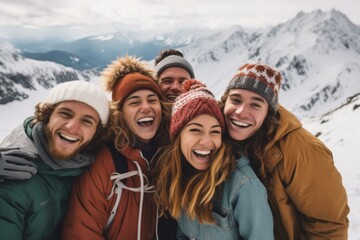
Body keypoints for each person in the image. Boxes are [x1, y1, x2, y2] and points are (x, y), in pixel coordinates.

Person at [220, 63, 350, 239]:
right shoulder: (219, 134)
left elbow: (329, 225)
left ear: (269, 113)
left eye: (256, 105)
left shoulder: (301, 150)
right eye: (236, 99)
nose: (241, 112)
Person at [61, 56, 171, 240]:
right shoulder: (104, 161)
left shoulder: (172, 153)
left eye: (152, 100)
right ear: (119, 113)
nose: (146, 107)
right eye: (134, 102)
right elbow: (81, 233)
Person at [154, 79, 274, 239]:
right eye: (196, 130)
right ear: (178, 136)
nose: (206, 141)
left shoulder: (243, 187)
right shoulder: (179, 177)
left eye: (215, 131)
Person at [0, 80, 110, 239]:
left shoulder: (90, 168)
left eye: (87, 121)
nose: (72, 126)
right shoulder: (12, 179)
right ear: (46, 116)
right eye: (65, 113)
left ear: (96, 134)